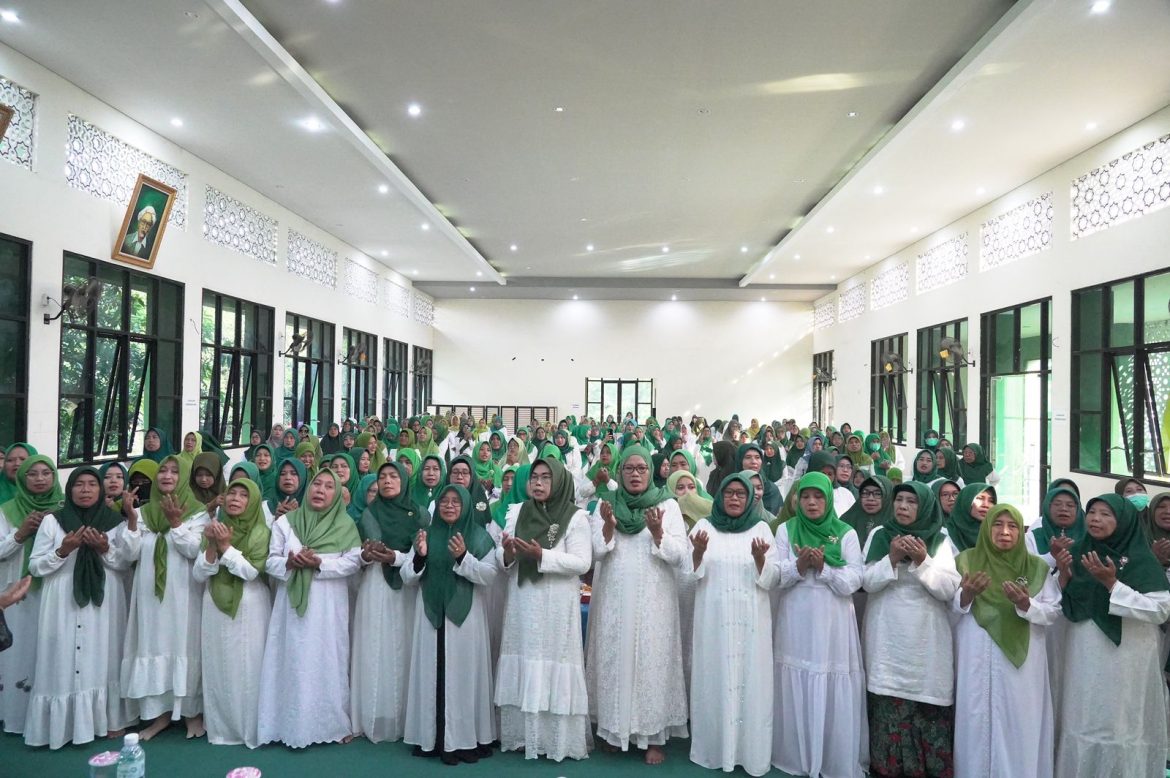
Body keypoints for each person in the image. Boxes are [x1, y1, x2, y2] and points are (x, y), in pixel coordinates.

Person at [24, 467, 141, 749]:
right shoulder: (53, 521)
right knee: (61, 658)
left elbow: (125, 564)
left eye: (92, 484)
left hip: (104, 601)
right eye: (79, 484)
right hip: (61, 600)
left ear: (101, 490)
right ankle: (61, 727)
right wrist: (62, 551)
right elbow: (35, 566)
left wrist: (104, 549)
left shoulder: (113, 521)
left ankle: (108, 720)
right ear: (69, 489)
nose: (85, 490)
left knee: (102, 657)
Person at [1054, 493, 1170, 777]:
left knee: (1122, 724)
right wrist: (1063, 577)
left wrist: (1112, 584)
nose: (1096, 519)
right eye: (1092, 512)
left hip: (1128, 659)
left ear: (1124, 521)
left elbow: (1160, 610)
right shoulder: (1078, 553)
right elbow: (1059, 606)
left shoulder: (1142, 561)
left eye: (1106, 514)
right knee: (1083, 719)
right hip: (1083, 655)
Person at [587, 446, 689, 764]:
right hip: (614, 599)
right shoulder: (606, 503)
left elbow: (680, 555)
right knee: (615, 658)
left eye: (641, 468)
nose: (635, 474)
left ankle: (653, 738)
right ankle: (614, 732)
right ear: (620, 472)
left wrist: (658, 533)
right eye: (629, 468)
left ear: (651, 472)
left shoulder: (667, 505)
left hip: (654, 601)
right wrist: (607, 527)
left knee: (650, 661)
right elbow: (593, 553)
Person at [769, 472, 866, 778]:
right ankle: (795, 755)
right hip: (795, 619)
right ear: (797, 500)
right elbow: (775, 575)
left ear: (828, 499)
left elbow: (854, 580)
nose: (812, 503)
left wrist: (824, 568)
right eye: (806, 496)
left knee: (828, 675)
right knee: (796, 673)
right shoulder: (786, 530)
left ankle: (830, 757)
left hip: (833, 622)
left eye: (819, 496)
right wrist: (799, 565)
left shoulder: (846, 533)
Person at [495, 459, 593, 761]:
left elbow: (582, 562)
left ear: (560, 481)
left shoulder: (575, 517)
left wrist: (543, 556)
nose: (538, 483)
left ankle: (556, 741)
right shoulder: (517, 512)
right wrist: (507, 554)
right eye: (534, 477)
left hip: (556, 604)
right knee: (526, 658)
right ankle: (524, 737)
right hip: (523, 602)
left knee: (553, 662)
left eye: (546, 478)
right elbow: (503, 557)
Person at [953, 504, 1060, 778]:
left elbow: (1053, 611)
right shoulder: (965, 561)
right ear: (986, 529)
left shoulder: (1036, 568)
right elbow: (948, 607)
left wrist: (1026, 604)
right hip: (976, 655)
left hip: (1022, 663)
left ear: (1021, 531)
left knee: (1019, 720)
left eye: (1012, 526)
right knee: (976, 717)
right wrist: (966, 595)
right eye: (997, 525)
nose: (1004, 532)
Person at [861, 481, 960, 778]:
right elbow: (866, 582)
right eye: (899, 500)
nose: (903, 506)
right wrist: (891, 558)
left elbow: (948, 589)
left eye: (912, 501)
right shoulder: (881, 535)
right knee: (887, 698)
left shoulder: (941, 538)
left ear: (926, 506)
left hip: (927, 639)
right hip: (887, 636)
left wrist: (922, 560)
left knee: (927, 701)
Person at [258, 469, 362, 748]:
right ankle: (285, 725)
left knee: (327, 660)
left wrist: (320, 564)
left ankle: (332, 724)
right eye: (317, 484)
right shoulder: (285, 523)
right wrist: (289, 563)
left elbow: (353, 562)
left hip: (328, 608)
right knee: (291, 659)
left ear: (337, 495)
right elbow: (270, 561)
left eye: (329, 486)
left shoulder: (345, 525)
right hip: (291, 610)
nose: (320, 490)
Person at [687, 473, 777, 777]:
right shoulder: (704, 527)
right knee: (714, 678)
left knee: (751, 680)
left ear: (750, 498)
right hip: (714, 620)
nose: (735, 498)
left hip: (751, 621)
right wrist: (698, 553)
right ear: (720, 496)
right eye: (729, 493)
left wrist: (760, 560)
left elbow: (772, 578)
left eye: (741, 493)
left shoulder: (761, 528)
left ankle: (749, 752)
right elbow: (689, 574)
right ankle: (715, 750)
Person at [403, 484, 498, 764]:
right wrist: (420, 555)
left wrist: (464, 558)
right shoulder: (425, 535)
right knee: (433, 675)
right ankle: (432, 739)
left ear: (466, 505)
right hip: (431, 614)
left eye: (456, 501)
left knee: (463, 677)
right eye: (444, 500)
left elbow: (490, 575)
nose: (449, 505)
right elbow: (408, 576)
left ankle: (464, 740)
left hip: (465, 619)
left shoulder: (479, 537)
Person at [122, 455, 209, 740]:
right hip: (150, 595)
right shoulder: (144, 513)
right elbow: (129, 554)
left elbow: (195, 550)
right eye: (163, 471)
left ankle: (191, 713)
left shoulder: (197, 512)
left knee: (184, 644)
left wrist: (176, 524)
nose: (167, 476)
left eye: (174, 471)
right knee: (153, 644)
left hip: (183, 593)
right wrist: (131, 520)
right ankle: (159, 714)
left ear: (184, 477)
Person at [191, 478, 271, 748]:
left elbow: (250, 572)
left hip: (250, 606)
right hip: (214, 604)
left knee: (248, 667)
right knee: (218, 665)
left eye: (243, 495)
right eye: (232, 493)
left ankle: (249, 728)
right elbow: (199, 573)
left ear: (254, 501)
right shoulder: (215, 528)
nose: (235, 499)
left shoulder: (261, 532)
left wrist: (226, 547)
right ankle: (222, 729)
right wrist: (213, 545)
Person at [350, 461, 425, 744]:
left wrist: (396, 557)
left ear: (404, 481)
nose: (387, 481)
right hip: (375, 584)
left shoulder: (420, 514)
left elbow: (423, 555)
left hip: (408, 586)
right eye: (382, 477)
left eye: (394, 476)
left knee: (404, 645)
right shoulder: (369, 514)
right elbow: (356, 554)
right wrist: (366, 555)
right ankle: (375, 714)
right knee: (375, 645)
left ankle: (405, 717)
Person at [0, 455, 63, 734]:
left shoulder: (64, 508)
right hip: (16, 593)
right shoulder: (7, 510)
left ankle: (49, 715)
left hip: (53, 590)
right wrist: (20, 534)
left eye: (46, 473)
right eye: (32, 473)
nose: (39, 479)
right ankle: (15, 714)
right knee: (18, 650)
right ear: (22, 478)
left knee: (49, 647)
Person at [945, 484, 997, 553]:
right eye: (980, 498)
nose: (986, 505)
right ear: (965, 500)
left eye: (991, 501)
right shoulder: (946, 534)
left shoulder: (996, 534)